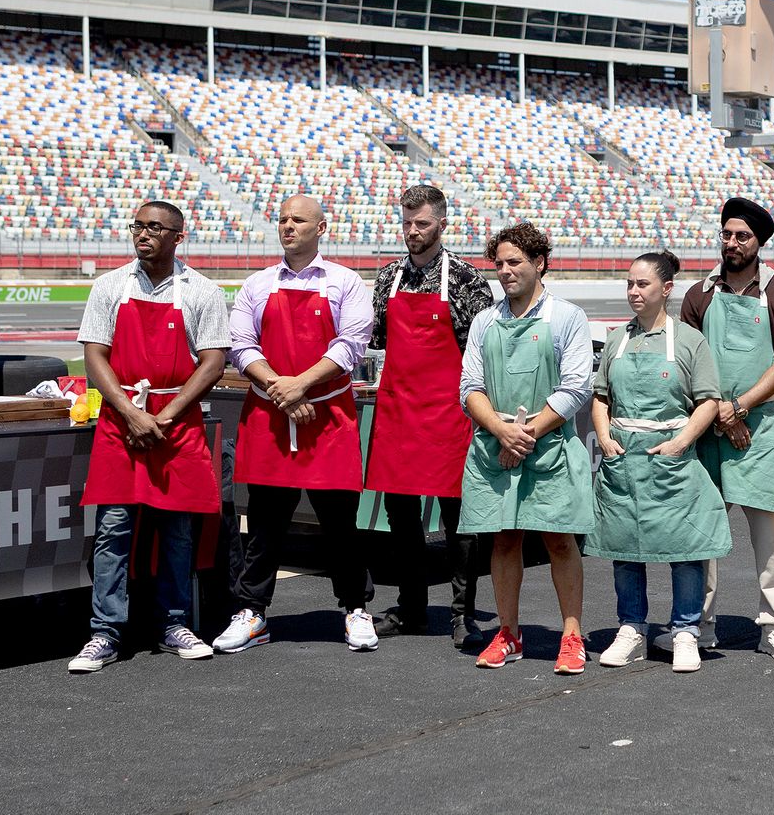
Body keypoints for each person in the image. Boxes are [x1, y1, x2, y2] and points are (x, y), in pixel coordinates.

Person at [68, 201, 230, 673]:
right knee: (113, 530)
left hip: (175, 425)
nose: (144, 234)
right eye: (138, 225)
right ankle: (105, 632)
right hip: (123, 422)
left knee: (176, 532)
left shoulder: (202, 291)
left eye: (155, 227)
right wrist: (130, 413)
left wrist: (166, 415)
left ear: (178, 237)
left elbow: (213, 361)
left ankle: (174, 623)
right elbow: (95, 357)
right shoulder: (109, 287)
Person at [218, 195, 379, 653]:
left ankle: (355, 607)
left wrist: (300, 386)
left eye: (299, 220)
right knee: (265, 522)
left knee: (340, 524)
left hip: (328, 417)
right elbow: (241, 344)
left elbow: (351, 345)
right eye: (283, 220)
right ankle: (252, 611)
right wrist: (280, 390)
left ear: (321, 228)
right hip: (271, 416)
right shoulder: (256, 284)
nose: (288, 227)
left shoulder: (345, 283)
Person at [459, 222, 596, 674]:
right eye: (498, 263)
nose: (504, 271)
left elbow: (576, 387)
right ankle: (509, 632)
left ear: (539, 263)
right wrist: (501, 431)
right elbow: (470, 388)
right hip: (496, 445)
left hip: (549, 447)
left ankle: (572, 635)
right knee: (503, 538)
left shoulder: (566, 317)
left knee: (559, 540)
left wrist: (526, 433)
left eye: (514, 262)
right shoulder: (485, 320)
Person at [675, 197, 774, 661]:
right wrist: (720, 412)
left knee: (771, 537)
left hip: (762, 430)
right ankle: (697, 623)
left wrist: (739, 408)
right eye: (727, 235)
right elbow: (687, 362)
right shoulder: (698, 295)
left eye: (742, 237)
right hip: (707, 427)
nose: (731, 243)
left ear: (760, 242)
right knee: (702, 532)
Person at [364, 185, 495, 648]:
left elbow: (482, 351)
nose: (412, 232)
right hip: (399, 411)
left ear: (442, 224)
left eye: (422, 223)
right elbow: (378, 338)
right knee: (401, 517)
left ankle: (463, 613)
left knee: (459, 519)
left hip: (449, 412)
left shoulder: (464, 279)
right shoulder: (387, 278)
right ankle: (413, 607)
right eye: (406, 223)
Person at [586, 251, 728, 674]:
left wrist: (681, 442)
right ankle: (631, 628)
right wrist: (607, 436)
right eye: (629, 283)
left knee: (685, 549)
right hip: (625, 457)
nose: (633, 291)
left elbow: (708, 401)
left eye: (642, 284)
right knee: (626, 548)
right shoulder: (617, 339)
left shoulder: (689, 340)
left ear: (666, 289)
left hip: (672, 455)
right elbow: (601, 396)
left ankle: (685, 632)